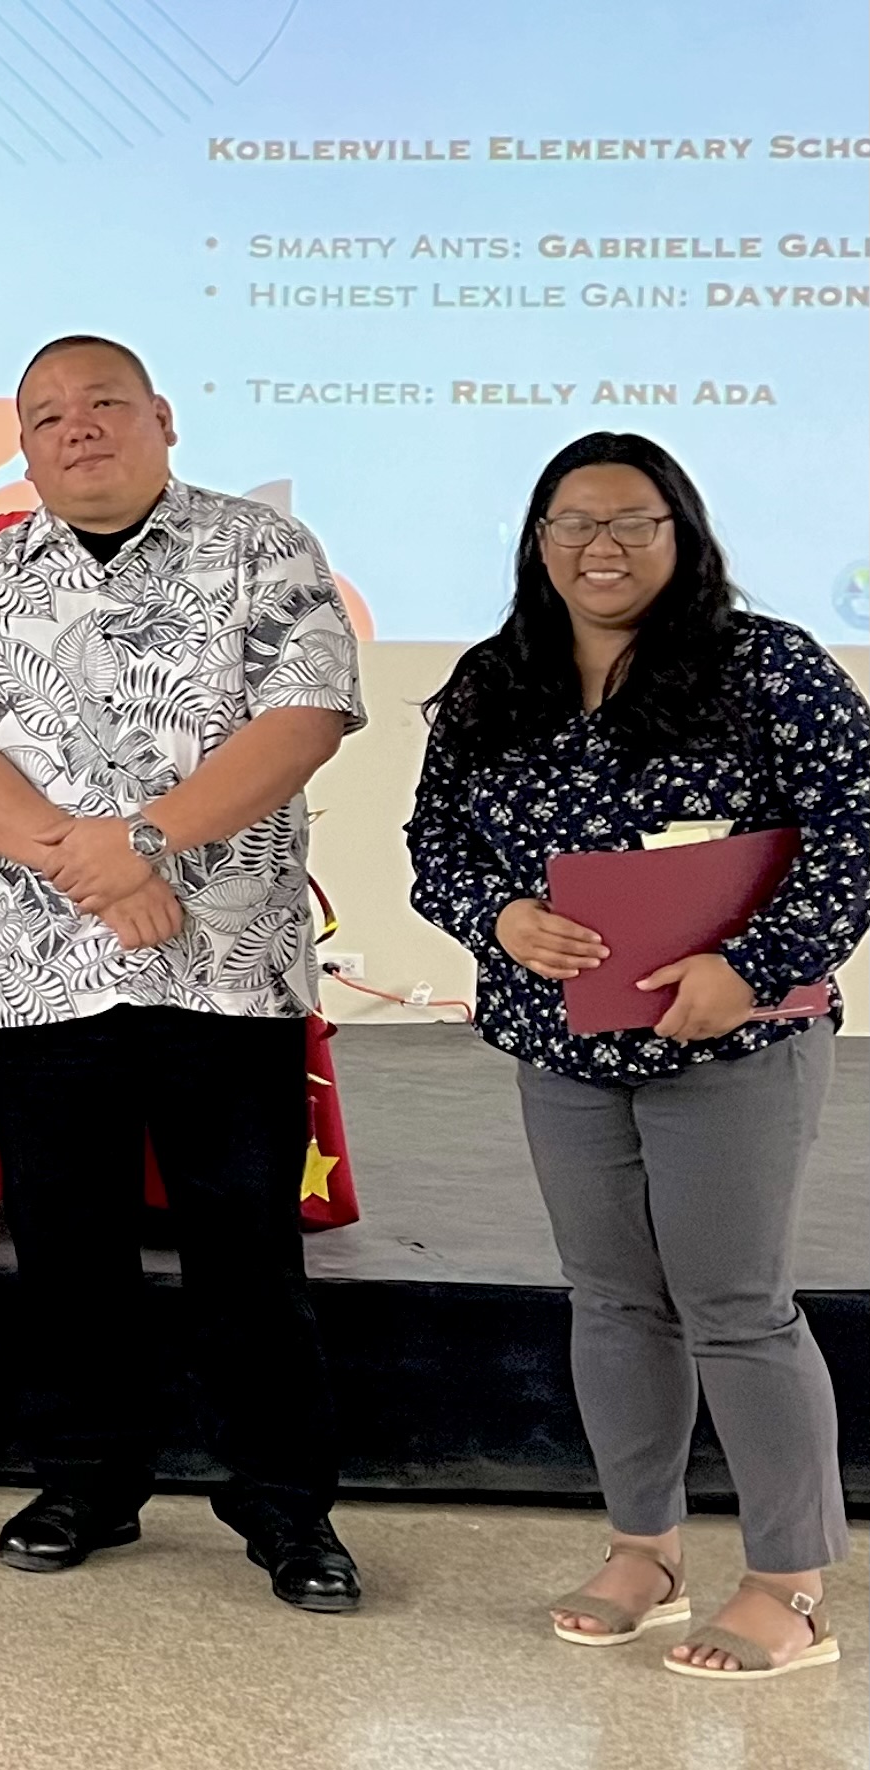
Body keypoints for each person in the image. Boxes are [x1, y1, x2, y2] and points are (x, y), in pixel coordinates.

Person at [0, 334, 367, 1614]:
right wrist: (91, 864)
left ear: (161, 416)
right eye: (46, 414)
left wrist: (149, 839)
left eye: (103, 403)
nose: (77, 427)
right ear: (27, 444)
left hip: (226, 964)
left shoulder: (262, 551)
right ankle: (88, 1479)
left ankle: (285, 1507)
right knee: (67, 1244)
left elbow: (306, 716)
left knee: (246, 1250)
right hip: (41, 969)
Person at [406, 433, 866, 1679]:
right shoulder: (499, 677)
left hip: (733, 1035)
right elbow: (435, 843)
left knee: (738, 1305)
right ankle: (645, 1550)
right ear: (536, 538)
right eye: (572, 523)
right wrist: (496, 916)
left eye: (631, 523)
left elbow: (853, 832)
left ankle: (789, 1583)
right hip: (563, 1039)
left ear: (682, 534)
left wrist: (750, 969)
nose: (599, 547)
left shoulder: (766, 666)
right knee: (611, 1301)